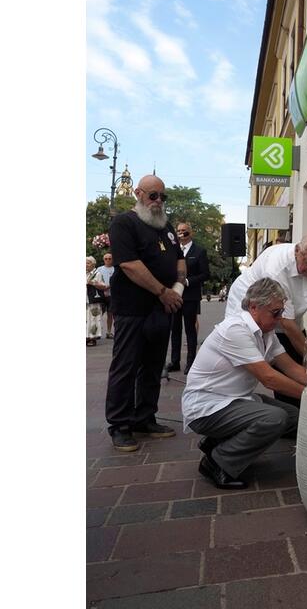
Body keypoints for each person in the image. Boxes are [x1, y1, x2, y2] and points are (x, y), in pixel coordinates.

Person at [183, 278, 307, 489]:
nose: (279, 319)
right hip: (207, 406)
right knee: (275, 418)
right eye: (275, 313)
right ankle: (218, 462)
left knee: (294, 417)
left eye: (281, 312)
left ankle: (217, 441)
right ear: (254, 307)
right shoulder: (236, 329)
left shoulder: (266, 332)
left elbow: (291, 368)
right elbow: (269, 378)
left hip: (234, 399)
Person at [104, 175, 188, 452]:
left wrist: (175, 289)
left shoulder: (165, 226)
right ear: (138, 194)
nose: (159, 201)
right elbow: (129, 265)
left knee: (153, 366)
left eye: (163, 196)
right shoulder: (124, 223)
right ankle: (120, 424)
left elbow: (179, 258)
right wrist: (162, 292)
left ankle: (145, 417)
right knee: (126, 366)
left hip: (162, 308)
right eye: (153, 196)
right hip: (133, 309)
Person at [224, 234, 307, 405]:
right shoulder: (277, 267)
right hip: (254, 311)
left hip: (287, 315)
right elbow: (285, 323)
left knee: (296, 362)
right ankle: (290, 409)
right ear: (298, 252)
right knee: (263, 366)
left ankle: (304, 405)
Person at [164, 222, 211, 378]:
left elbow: (205, 274)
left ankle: (191, 362)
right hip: (173, 295)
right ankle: (175, 361)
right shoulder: (172, 249)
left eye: (184, 231)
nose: (181, 233)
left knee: (190, 329)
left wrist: (188, 281)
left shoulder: (199, 251)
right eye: (178, 231)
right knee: (174, 329)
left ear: (190, 233)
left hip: (190, 296)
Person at [86, 257, 106, 346]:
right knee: (86, 320)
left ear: (93, 264)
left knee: (94, 319)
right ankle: (86, 336)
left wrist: (93, 283)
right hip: (85, 300)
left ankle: (93, 338)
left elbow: (104, 286)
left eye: (88, 263)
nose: (86, 265)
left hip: (93, 299)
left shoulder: (97, 274)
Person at [97, 252, 116, 338]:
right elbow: (95, 280)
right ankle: (96, 332)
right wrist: (102, 288)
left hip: (112, 295)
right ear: (103, 260)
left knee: (110, 314)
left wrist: (109, 286)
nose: (108, 260)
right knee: (98, 314)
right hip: (101, 295)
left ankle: (108, 332)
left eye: (110, 258)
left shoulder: (115, 269)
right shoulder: (99, 269)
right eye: (106, 259)